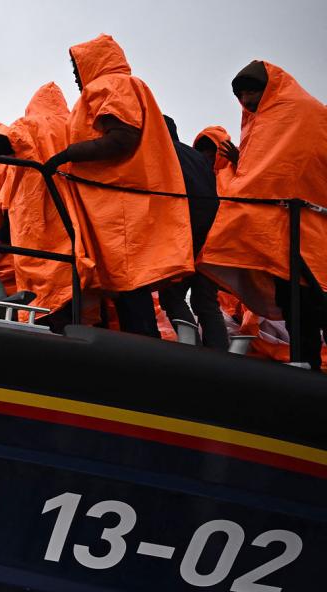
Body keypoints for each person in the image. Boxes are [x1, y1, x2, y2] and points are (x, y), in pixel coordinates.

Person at [44, 34, 193, 337]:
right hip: (123, 204)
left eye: (76, 68)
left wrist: (65, 155)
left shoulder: (109, 86)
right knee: (129, 287)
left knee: (130, 286)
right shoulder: (124, 85)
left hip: (121, 207)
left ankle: (143, 352)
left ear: (92, 62)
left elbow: (122, 138)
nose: (75, 76)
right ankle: (141, 350)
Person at [197, 60, 327, 369]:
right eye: (241, 97)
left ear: (266, 90)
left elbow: (284, 168)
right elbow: (271, 169)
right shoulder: (271, 119)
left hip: (302, 227)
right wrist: (241, 161)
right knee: (297, 303)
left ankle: (306, 363)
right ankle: (304, 365)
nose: (246, 102)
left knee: (310, 302)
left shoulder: (296, 113)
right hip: (286, 231)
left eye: (250, 94)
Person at [0, 83, 78, 328]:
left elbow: (1, 220)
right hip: (74, 237)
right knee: (71, 301)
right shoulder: (77, 126)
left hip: (34, 238)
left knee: (48, 305)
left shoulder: (31, 128)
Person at [155, 115, 228, 349]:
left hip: (185, 234)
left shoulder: (163, 153)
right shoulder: (197, 159)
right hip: (213, 236)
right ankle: (220, 354)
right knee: (205, 299)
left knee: (171, 295)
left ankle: (191, 348)